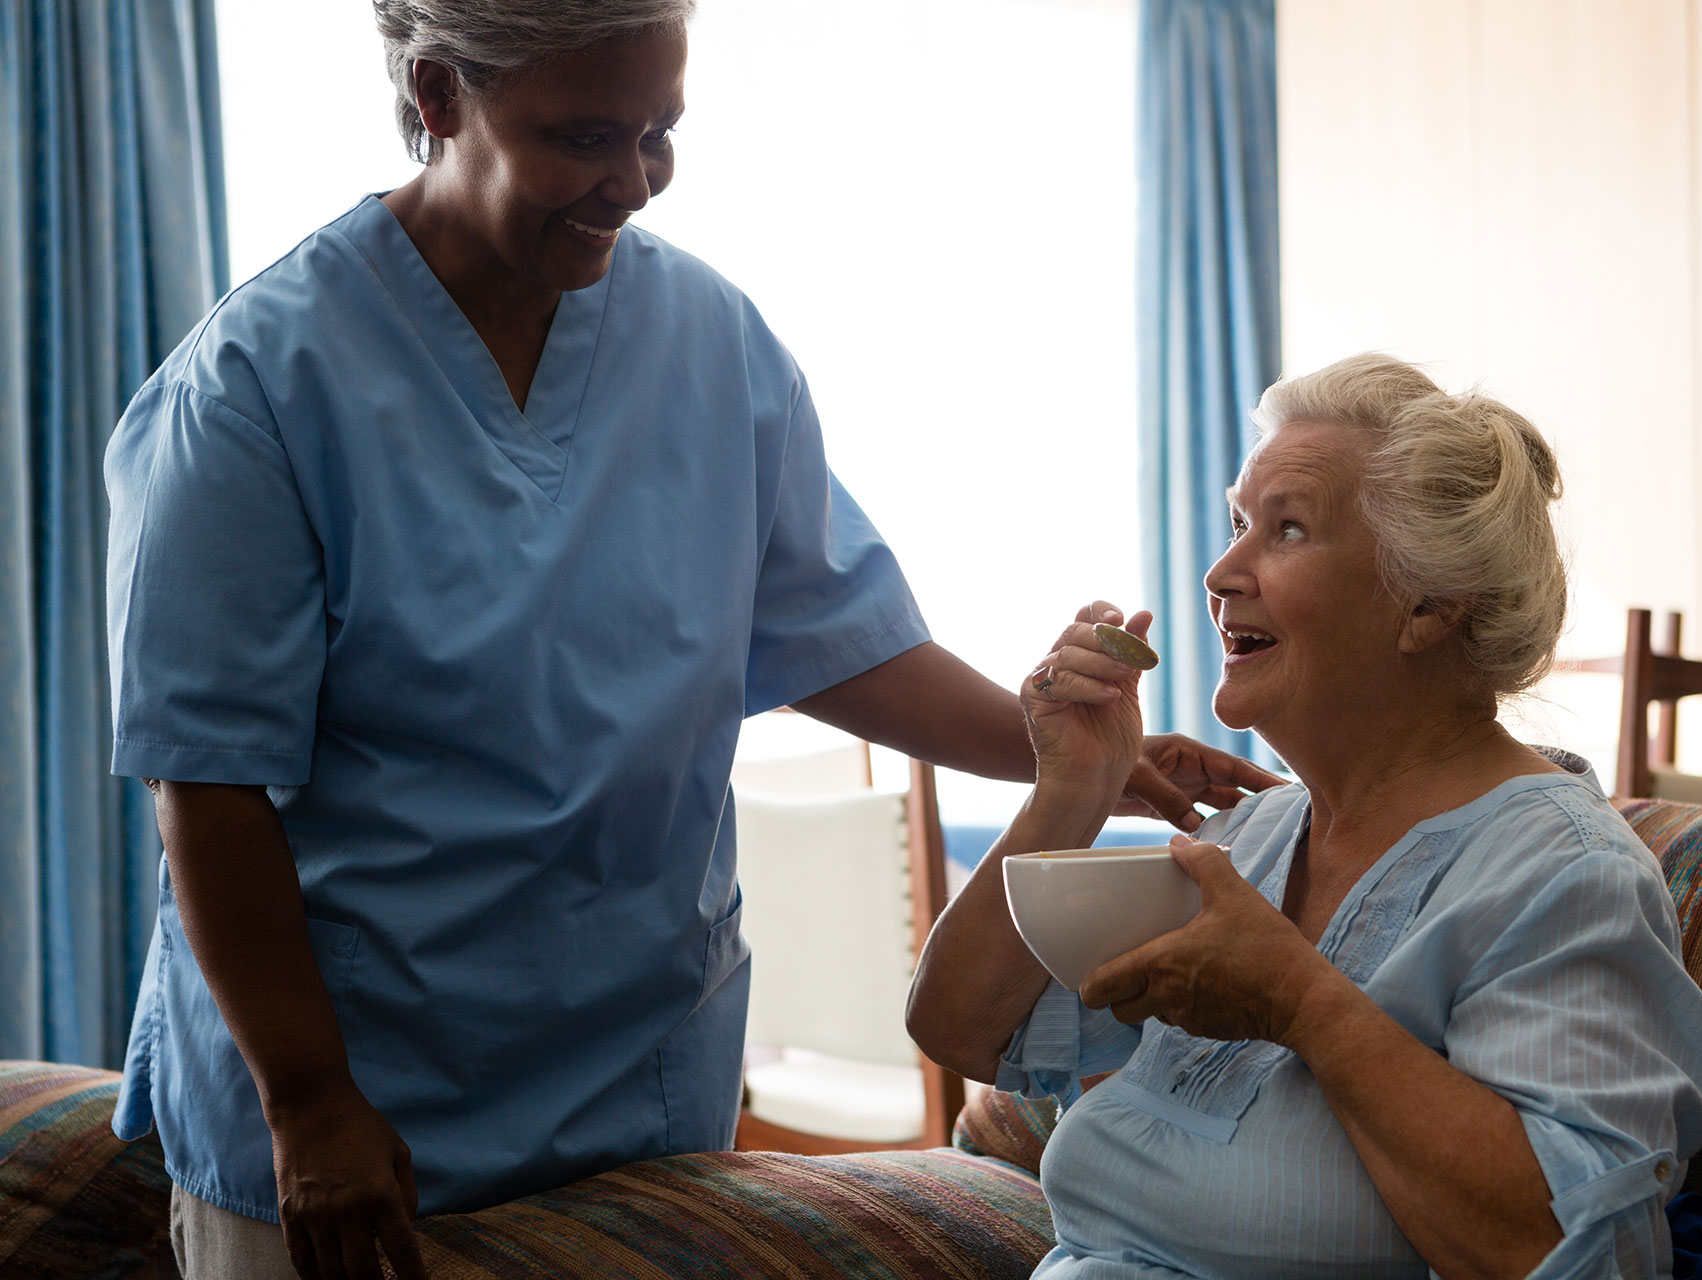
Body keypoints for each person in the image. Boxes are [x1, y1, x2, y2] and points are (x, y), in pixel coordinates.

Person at [102, 4, 1280, 1278]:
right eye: (587, 136)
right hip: (355, 1100)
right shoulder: (259, 383)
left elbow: (840, 638)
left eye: (661, 131)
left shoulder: (713, 341)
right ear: (440, 97)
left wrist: (1071, 758)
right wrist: (305, 1095)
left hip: (638, 1089)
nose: (635, 180)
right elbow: (210, 783)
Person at [907, 353, 1702, 1278]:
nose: (1223, 571)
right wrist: (1070, 792)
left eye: (1288, 530)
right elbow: (962, 1030)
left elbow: (1570, 1252)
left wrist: (1300, 1002)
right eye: (1237, 524)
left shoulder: (1562, 872)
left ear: (1427, 606)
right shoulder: (1249, 840)